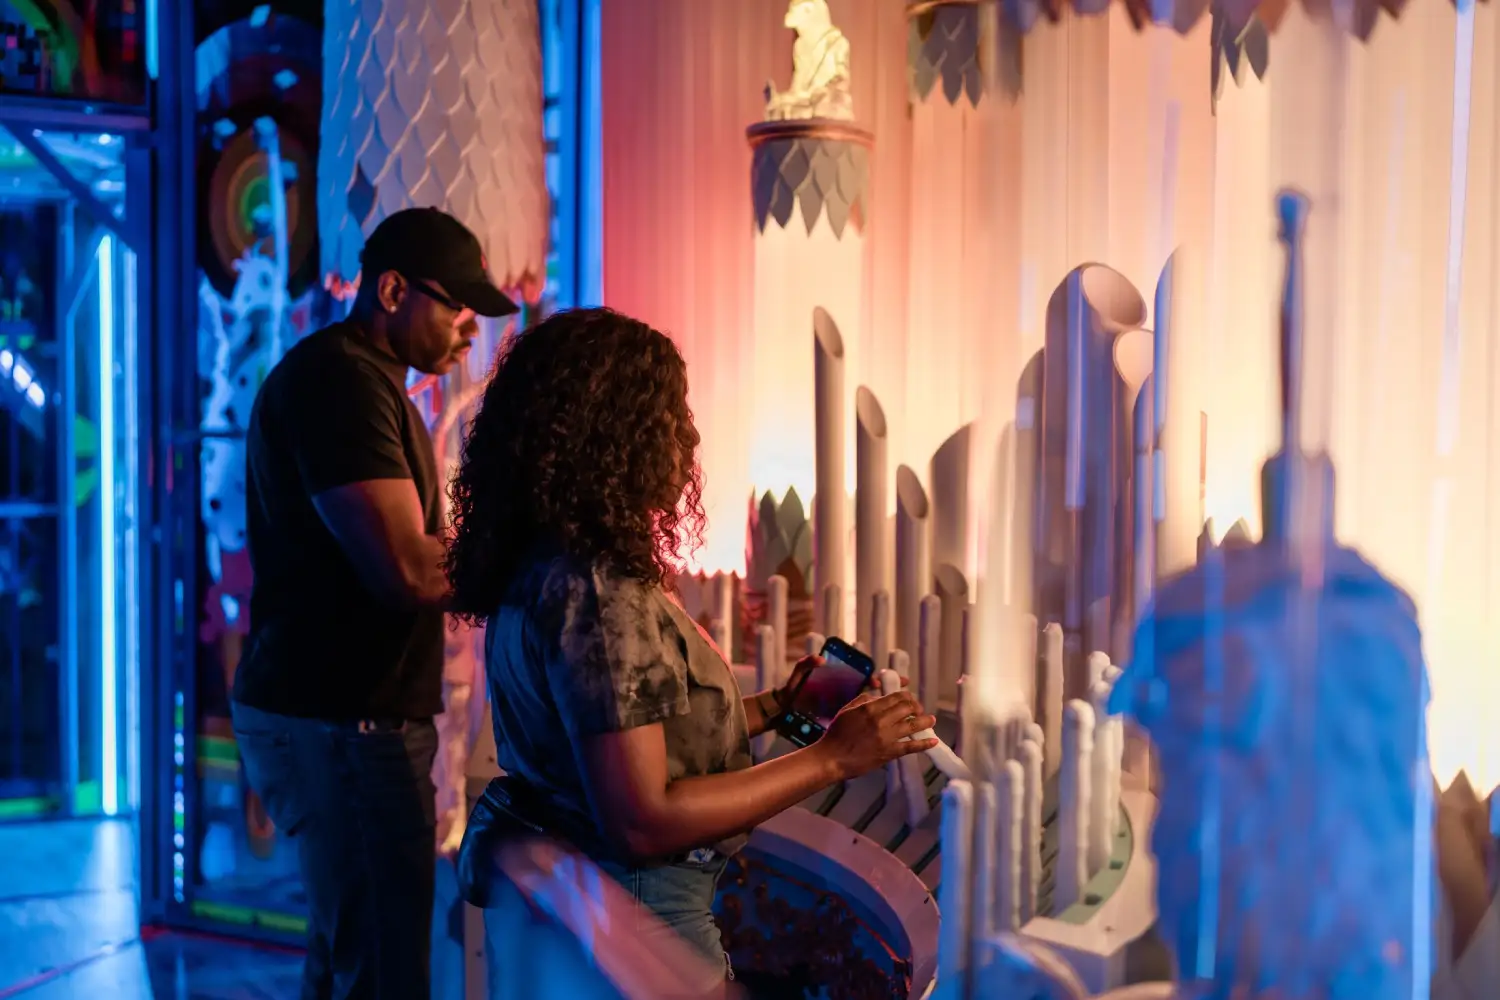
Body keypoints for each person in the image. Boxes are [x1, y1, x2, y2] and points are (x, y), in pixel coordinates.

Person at [445, 307, 937, 989]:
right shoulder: (599, 593)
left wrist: (770, 709)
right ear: (618, 433)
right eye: (671, 413)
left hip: (590, 912)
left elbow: (611, 735)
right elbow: (643, 821)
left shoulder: (545, 565)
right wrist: (834, 758)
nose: (691, 433)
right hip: (638, 914)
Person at [231, 207, 517, 1000]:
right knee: (383, 972)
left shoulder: (369, 385)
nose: (467, 330)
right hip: (344, 725)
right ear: (391, 290)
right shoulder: (342, 385)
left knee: (351, 956)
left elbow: (421, 558)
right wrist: (521, 554)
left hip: (343, 720)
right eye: (454, 306)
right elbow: (409, 571)